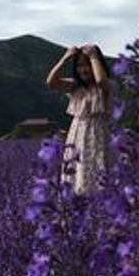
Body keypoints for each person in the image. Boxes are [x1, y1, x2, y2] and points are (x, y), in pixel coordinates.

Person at [46, 44, 111, 195]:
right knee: (76, 178)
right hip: (77, 138)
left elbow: (101, 81)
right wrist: (66, 57)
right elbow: (51, 82)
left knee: (98, 176)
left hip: (98, 136)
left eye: (87, 65)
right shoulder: (75, 87)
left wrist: (93, 56)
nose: (83, 69)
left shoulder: (107, 86)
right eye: (80, 65)